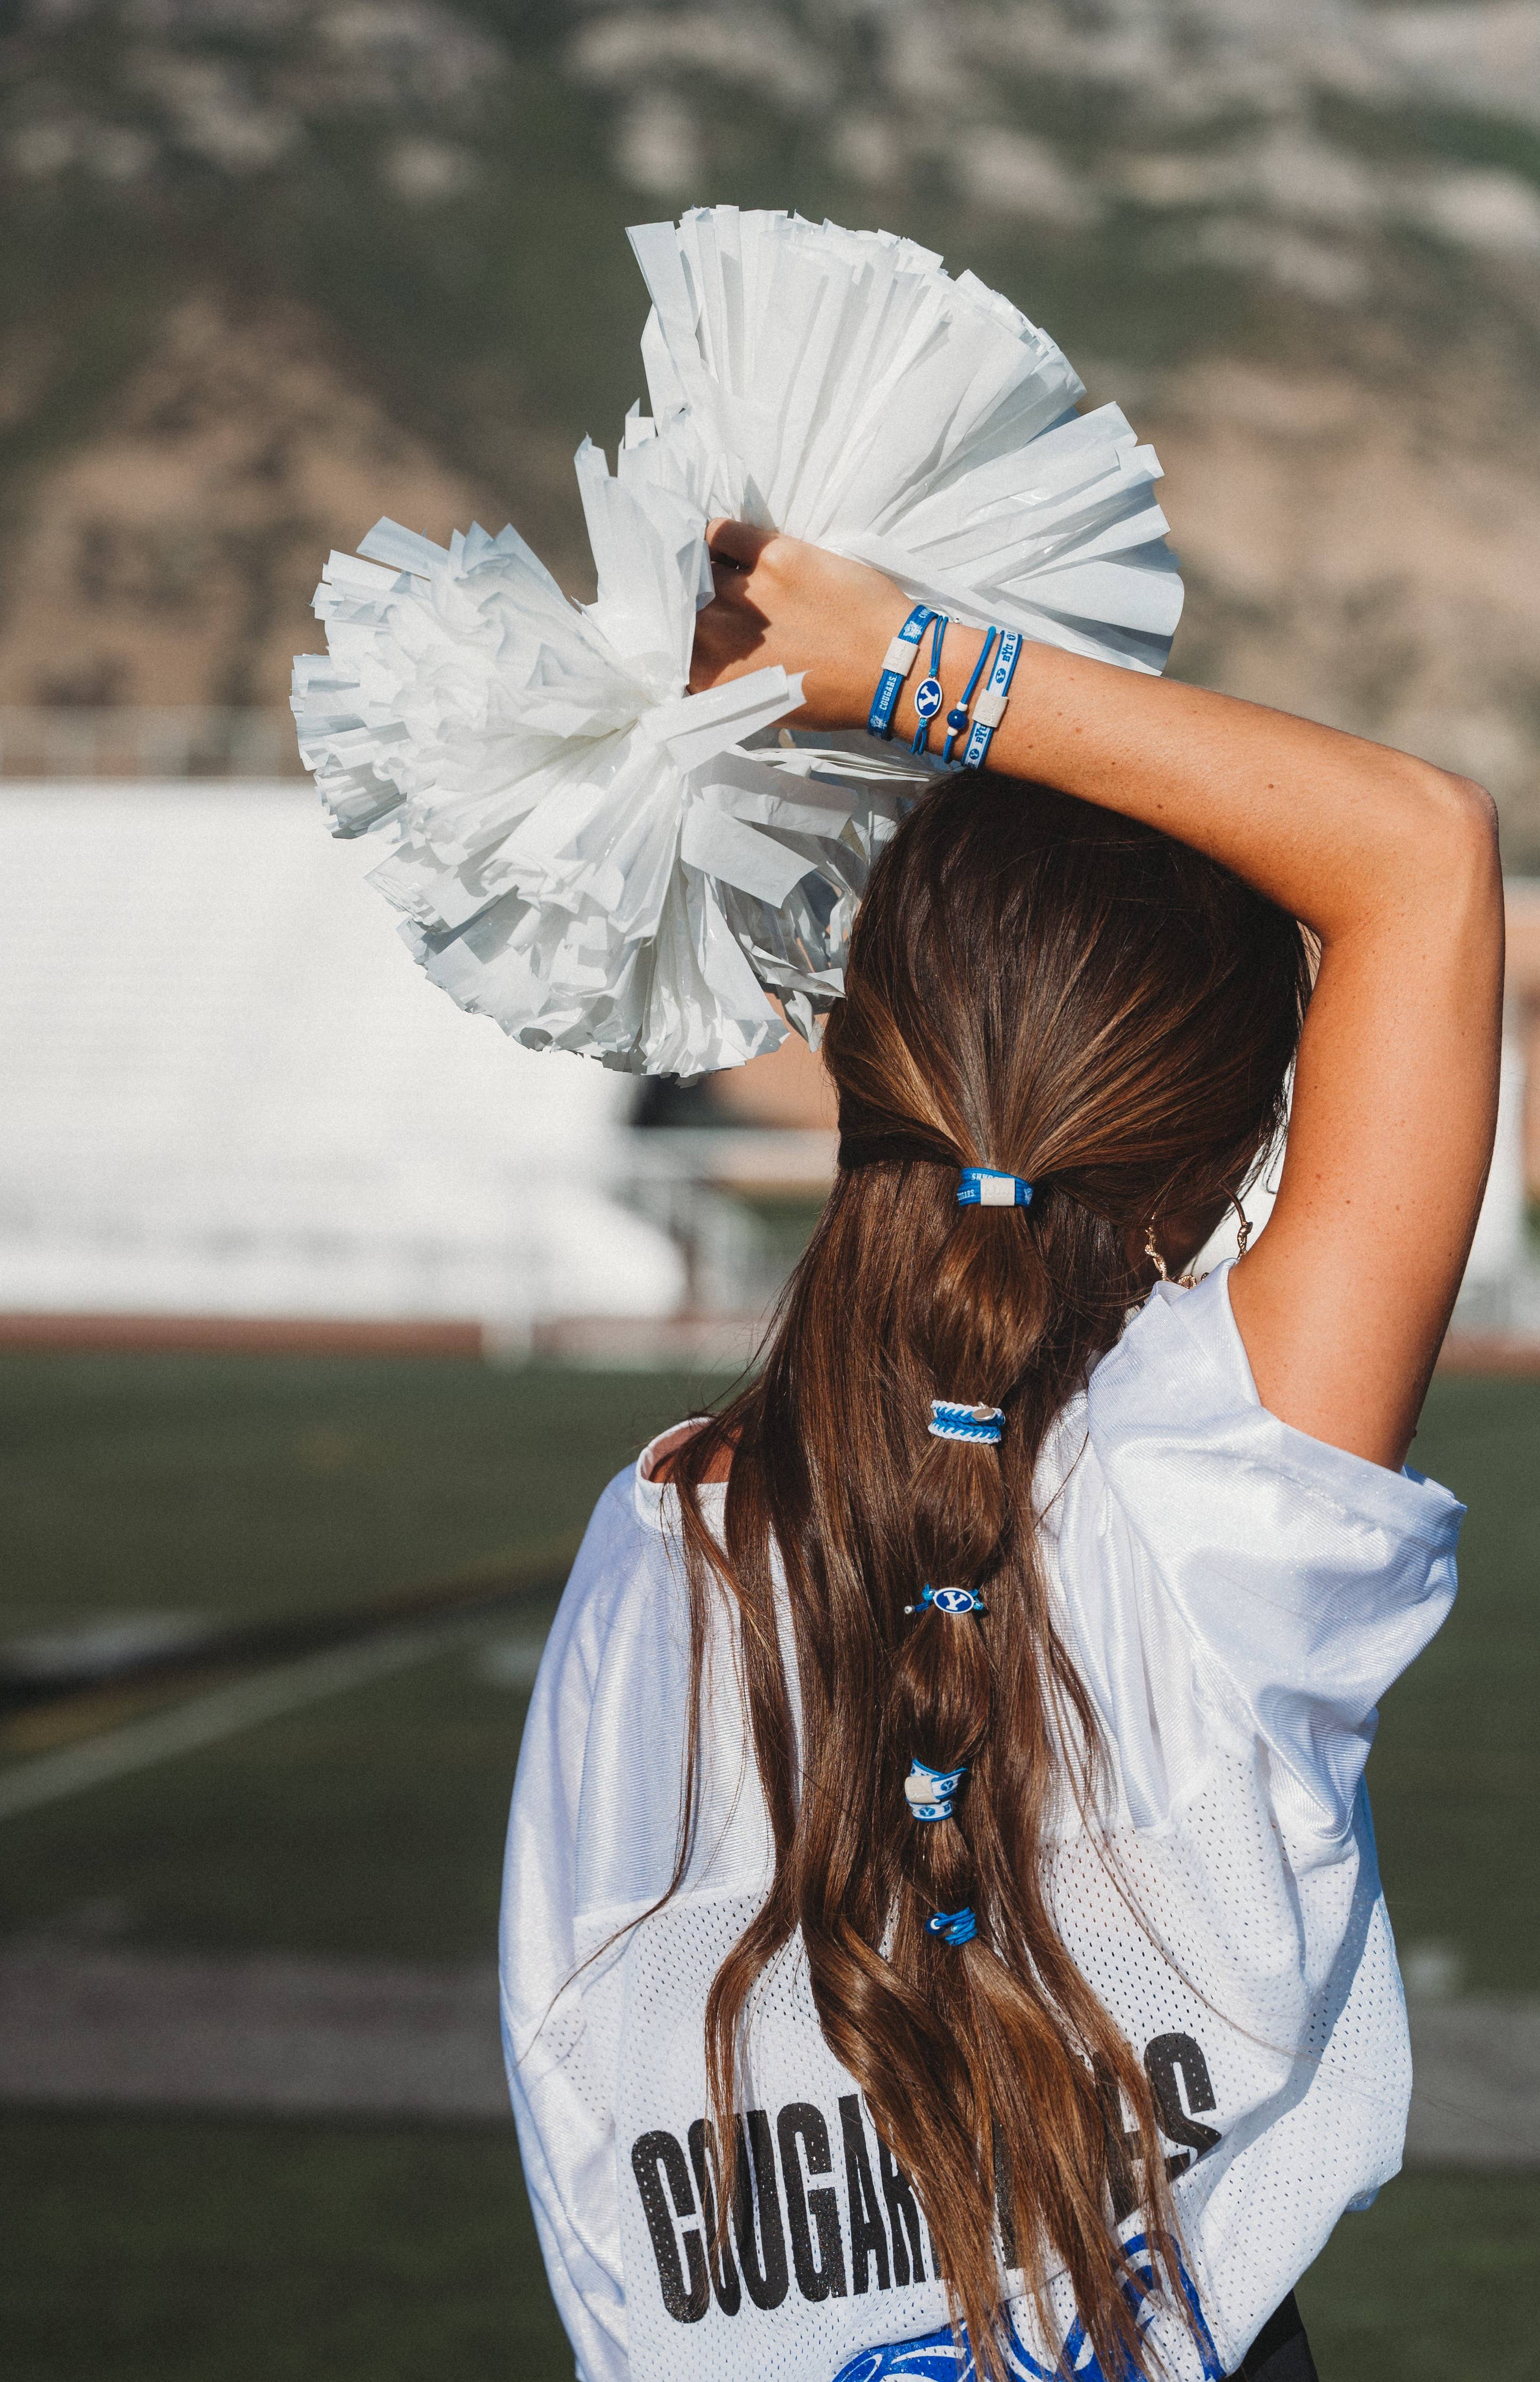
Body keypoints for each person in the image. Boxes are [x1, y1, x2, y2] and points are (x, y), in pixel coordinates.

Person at [501, 521, 1502, 2382]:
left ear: (863, 1053)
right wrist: (905, 660)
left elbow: (580, 2136)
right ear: (1218, 1164)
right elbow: (1417, 852)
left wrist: (884, 666)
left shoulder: (653, 1544)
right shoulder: (1227, 1497)